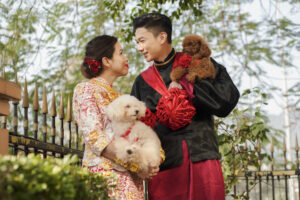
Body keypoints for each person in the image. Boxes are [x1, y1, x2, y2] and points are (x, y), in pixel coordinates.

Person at [131, 13, 240, 200]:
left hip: (202, 157)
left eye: (142, 41)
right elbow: (135, 128)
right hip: (165, 168)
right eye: (137, 43)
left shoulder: (196, 62)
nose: (139, 48)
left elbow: (227, 99)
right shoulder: (141, 82)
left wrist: (189, 85)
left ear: (162, 37)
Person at [73, 35, 156, 200]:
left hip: (131, 184)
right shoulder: (86, 90)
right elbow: (96, 139)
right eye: (121, 53)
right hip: (105, 181)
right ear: (107, 61)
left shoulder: (121, 98)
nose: (126, 58)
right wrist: (137, 165)